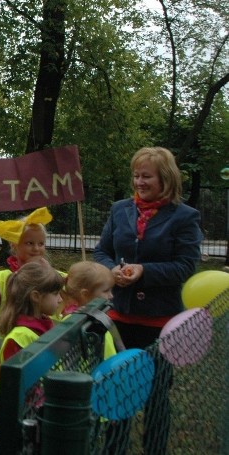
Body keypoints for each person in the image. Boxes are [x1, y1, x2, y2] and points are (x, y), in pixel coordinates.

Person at [93, 146, 202, 455]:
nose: (139, 182)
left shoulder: (185, 217)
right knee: (117, 391)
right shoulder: (119, 209)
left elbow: (185, 266)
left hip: (159, 324)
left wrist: (143, 271)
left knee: (155, 397)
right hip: (119, 318)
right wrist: (110, 269)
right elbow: (102, 251)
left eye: (147, 176)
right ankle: (114, 449)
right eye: (136, 175)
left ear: (165, 178)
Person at [0, 207, 53, 388]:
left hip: (48, 359)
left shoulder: (55, 278)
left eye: (41, 243)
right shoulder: (3, 278)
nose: (37, 249)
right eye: (29, 243)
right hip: (9, 360)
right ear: (14, 246)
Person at [0, 261, 64, 447]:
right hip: (16, 427)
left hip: (35, 421)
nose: (60, 299)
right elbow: (21, 387)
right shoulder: (20, 336)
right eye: (55, 294)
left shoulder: (43, 328)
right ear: (36, 296)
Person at [60, 261, 117, 359]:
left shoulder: (94, 316)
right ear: (85, 294)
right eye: (106, 291)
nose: (111, 296)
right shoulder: (74, 323)